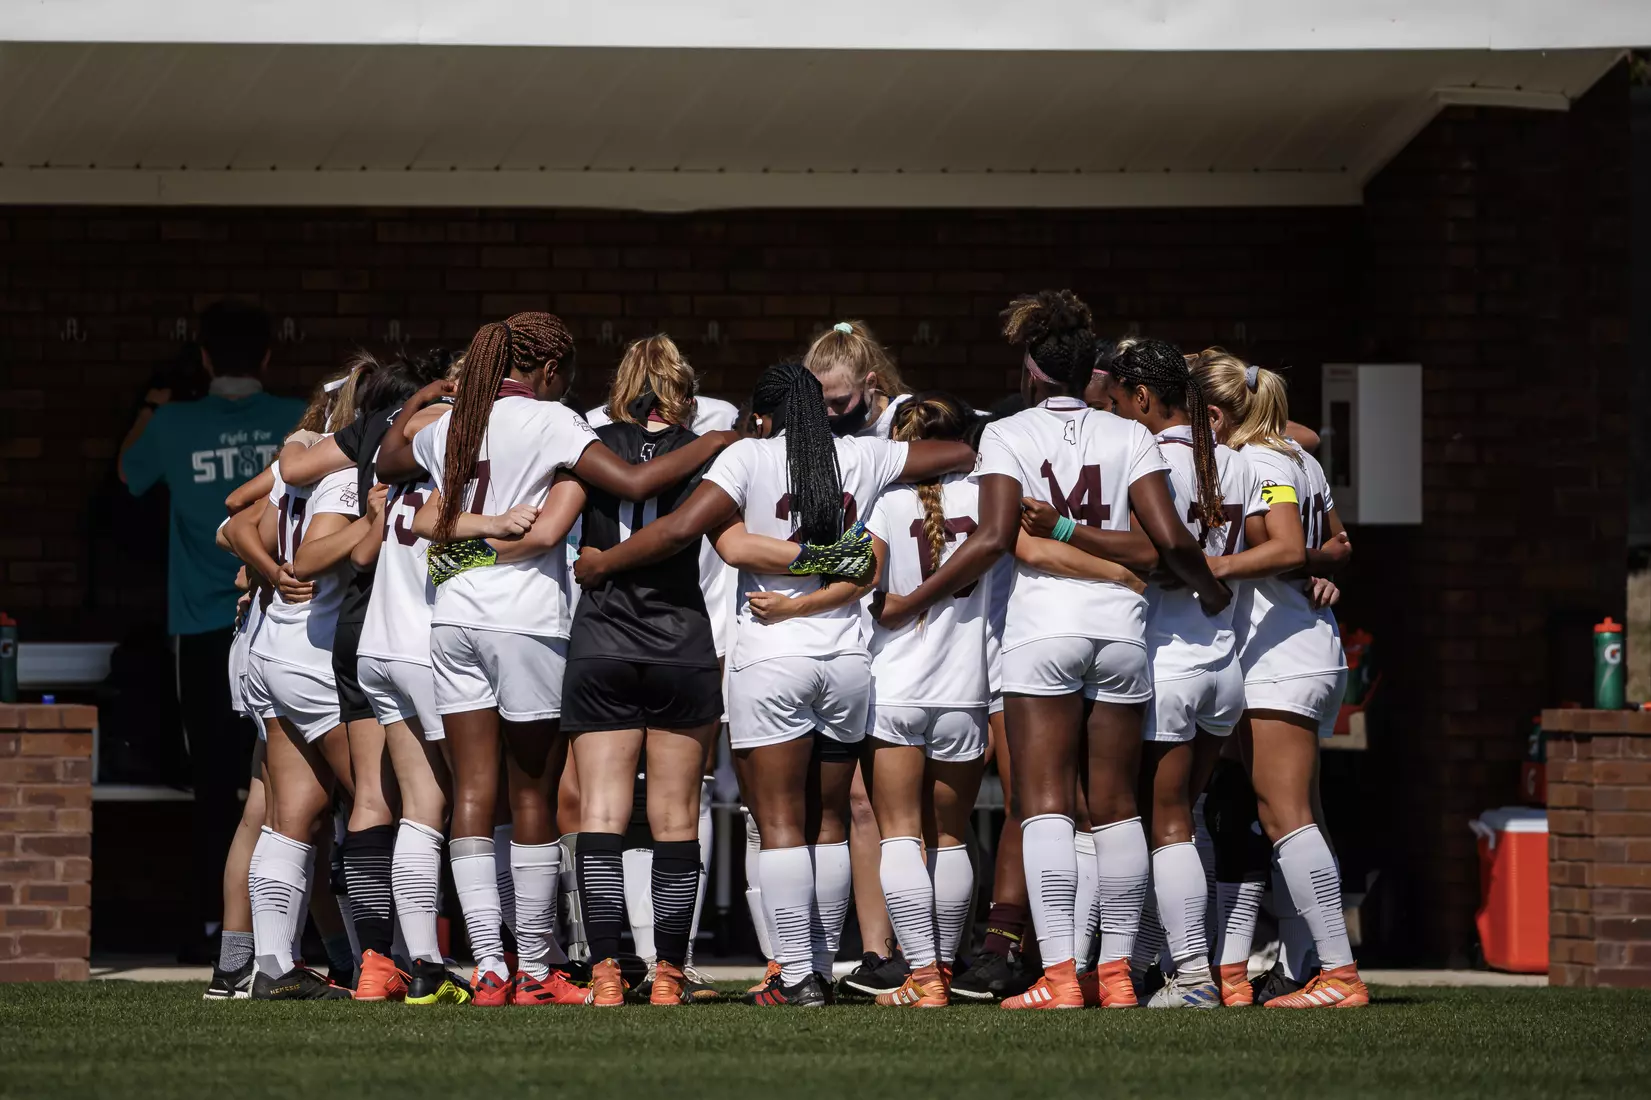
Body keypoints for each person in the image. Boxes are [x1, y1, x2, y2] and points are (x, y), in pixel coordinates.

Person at [573, 361, 973, 1006]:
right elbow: (959, 448)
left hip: (770, 659)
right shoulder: (864, 455)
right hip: (846, 660)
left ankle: (796, 975)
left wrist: (603, 563)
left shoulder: (750, 457)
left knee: (781, 826)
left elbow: (686, 532)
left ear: (762, 416)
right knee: (830, 825)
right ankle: (825, 964)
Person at [871, 290, 1229, 1012]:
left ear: (1031, 370)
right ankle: (1120, 975)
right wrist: (1207, 591)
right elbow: (1169, 542)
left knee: (1042, 810)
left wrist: (921, 595)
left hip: (1042, 631)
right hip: (1122, 629)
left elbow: (997, 536)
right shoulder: (1128, 434)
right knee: (1118, 808)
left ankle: (1061, 974)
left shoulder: (1008, 433)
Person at [383, 312, 737, 1007]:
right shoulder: (551, 421)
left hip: (452, 614)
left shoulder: (454, 422)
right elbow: (634, 484)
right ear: (548, 373)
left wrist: (429, 398)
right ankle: (537, 967)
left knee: (472, 796)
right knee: (533, 794)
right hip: (523, 619)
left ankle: (488, 966)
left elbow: (389, 459)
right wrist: (718, 441)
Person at [542, 335, 733, 1006]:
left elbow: (546, 527)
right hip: (681, 642)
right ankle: (669, 977)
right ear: (683, 387)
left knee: (600, 812)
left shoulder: (583, 442)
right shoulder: (711, 452)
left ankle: (604, 973)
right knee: (677, 815)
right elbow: (732, 544)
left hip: (601, 640)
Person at [119, 300, 305, 959]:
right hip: (284, 622)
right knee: (289, 780)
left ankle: (213, 928)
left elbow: (128, 474)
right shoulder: (297, 419)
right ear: (266, 356)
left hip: (202, 627)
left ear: (203, 358)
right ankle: (291, 929)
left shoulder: (173, 422)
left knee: (214, 784)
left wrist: (152, 403)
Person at [1099, 339, 1279, 1008]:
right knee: (1181, 817)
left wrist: (1062, 530)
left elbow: (1149, 553)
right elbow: (1270, 548)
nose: (1114, 413)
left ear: (1143, 398)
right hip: (1220, 664)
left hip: (1165, 661)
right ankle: (1165, 967)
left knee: (1164, 821)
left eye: (1118, 402)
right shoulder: (1232, 461)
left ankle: (1196, 976)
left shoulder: (1146, 461)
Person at [1190, 349, 1366, 1009]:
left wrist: (1207, 567)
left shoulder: (1262, 462)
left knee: (1285, 815)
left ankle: (1337, 974)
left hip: (1281, 659)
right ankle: (1266, 969)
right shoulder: (1293, 456)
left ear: (1213, 413)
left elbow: (1290, 546)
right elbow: (1336, 545)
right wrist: (1315, 565)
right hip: (1285, 651)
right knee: (1273, 812)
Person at [226, 370, 363, 1000]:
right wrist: (284, 570)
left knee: (291, 816)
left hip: (274, 648)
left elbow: (233, 524)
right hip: (312, 653)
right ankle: (384, 961)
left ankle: (273, 966)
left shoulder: (296, 462)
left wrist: (267, 572)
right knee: (376, 804)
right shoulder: (339, 473)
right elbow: (328, 554)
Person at [804, 320, 912, 993]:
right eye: (817, 403)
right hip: (840, 630)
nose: (829, 416)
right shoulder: (808, 439)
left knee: (899, 806)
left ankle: (915, 949)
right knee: (853, 801)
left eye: (840, 403)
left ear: (871, 386)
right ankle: (871, 952)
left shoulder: (903, 426)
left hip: (904, 632)